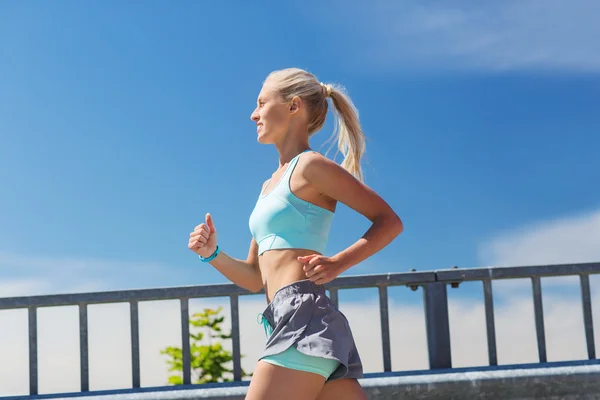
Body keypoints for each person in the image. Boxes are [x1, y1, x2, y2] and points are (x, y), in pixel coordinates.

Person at [188, 68, 403, 400]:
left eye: (261, 103)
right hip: (285, 319)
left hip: (303, 315)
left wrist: (338, 263)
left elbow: (389, 221)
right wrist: (212, 254)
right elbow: (254, 277)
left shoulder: (311, 167)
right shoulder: (269, 185)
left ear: (294, 106)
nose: (253, 114)